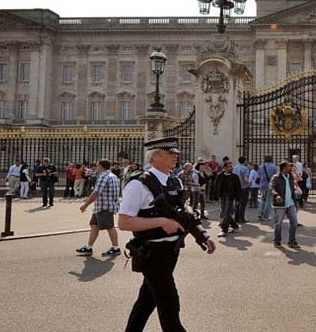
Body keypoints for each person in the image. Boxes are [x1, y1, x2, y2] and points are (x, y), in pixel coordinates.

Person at [118, 137, 215, 332]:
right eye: (171, 153)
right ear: (155, 156)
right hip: (152, 252)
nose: (176, 157)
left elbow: (184, 212)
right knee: (169, 304)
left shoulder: (174, 181)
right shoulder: (138, 184)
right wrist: (162, 222)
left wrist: (202, 235)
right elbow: (124, 222)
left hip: (171, 250)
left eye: (176, 153)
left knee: (147, 300)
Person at [76, 159, 121, 256]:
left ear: (101, 166)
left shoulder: (103, 177)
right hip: (104, 206)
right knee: (94, 225)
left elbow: (96, 192)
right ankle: (89, 247)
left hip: (104, 206)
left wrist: (85, 204)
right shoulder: (114, 176)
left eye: (97, 165)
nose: (96, 167)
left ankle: (116, 248)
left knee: (110, 227)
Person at [270, 161, 300, 248]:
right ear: (283, 168)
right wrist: (276, 195)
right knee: (278, 223)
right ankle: (277, 240)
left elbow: (292, 189)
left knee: (294, 222)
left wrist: (295, 201)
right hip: (280, 204)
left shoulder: (290, 176)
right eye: (288, 167)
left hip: (290, 203)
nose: (290, 168)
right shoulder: (276, 177)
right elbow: (271, 187)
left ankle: (292, 241)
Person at [215, 160, 240, 238]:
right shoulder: (219, 176)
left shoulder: (235, 176)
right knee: (225, 212)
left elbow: (238, 188)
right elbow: (216, 186)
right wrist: (215, 197)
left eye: (231, 166)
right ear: (224, 168)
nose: (231, 168)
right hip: (222, 196)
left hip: (230, 197)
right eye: (229, 166)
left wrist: (238, 199)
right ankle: (235, 226)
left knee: (226, 213)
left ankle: (224, 230)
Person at [257, 155, 277, 221]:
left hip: (262, 185)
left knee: (263, 199)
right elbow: (276, 176)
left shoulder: (261, 167)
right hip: (270, 185)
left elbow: (259, 175)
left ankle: (260, 213)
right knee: (268, 201)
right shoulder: (274, 167)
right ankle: (266, 216)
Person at [234, 156, 251, 224]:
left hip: (236, 187)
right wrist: (249, 183)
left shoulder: (236, 167)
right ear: (245, 161)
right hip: (244, 187)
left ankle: (236, 217)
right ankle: (241, 218)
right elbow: (245, 178)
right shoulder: (245, 168)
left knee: (237, 203)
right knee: (243, 203)